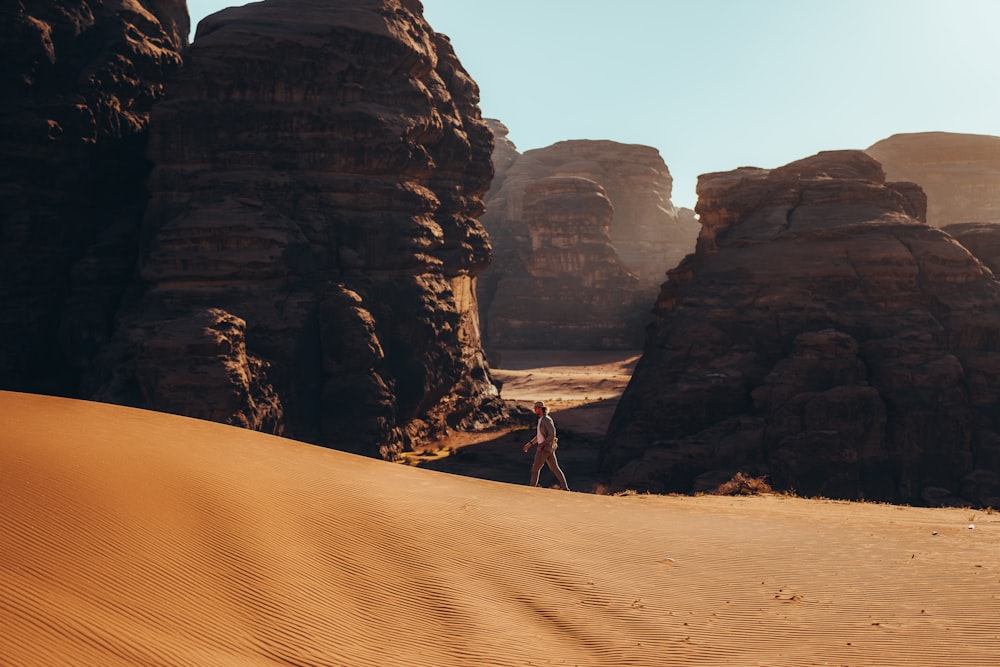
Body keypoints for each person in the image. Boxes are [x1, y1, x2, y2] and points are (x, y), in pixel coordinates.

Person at [523, 401, 570, 491]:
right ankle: (565, 487)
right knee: (555, 468)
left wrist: (541, 445)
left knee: (535, 469)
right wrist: (530, 444)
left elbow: (552, 434)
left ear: (540, 409)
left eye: (536, 408)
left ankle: (531, 489)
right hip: (546, 448)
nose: (534, 410)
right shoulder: (541, 419)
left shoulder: (546, 419)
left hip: (544, 449)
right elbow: (539, 436)